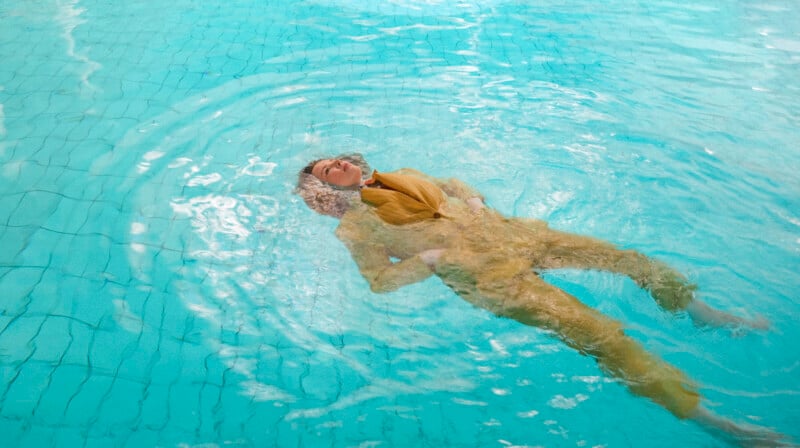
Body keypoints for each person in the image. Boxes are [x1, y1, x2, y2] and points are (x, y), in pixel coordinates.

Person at [296, 154, 783, 445]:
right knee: (602, 337)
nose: (339, 163)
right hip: (487, 278)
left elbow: (454, 185)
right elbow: (380, 281)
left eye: (337, 158)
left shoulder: (404, 171)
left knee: (628, 259)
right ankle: (717, 425)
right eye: (327, 169)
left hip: (515, 235)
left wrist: (474, 199)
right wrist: (428, 259)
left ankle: (701, 313)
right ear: (323, 188)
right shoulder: (354, 228)